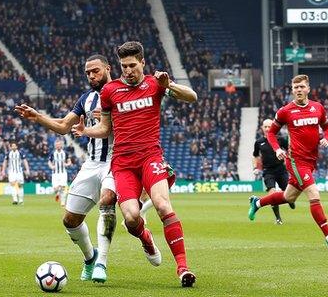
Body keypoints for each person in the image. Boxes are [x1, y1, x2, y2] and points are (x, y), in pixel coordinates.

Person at [74, 42, 198, 287]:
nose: (128, 70)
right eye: (124, 66)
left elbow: (192, 97)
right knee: (131, 217)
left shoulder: (155, 84)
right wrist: (85, 130)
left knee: (163, 205)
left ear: (142, 63)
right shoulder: (110, 91)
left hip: (150, 157)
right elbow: (106, 128)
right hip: (123, 163)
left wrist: (168, 85)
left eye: (132, 65)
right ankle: (145, 237)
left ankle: (182, 268)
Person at [15, 54, 117, 283]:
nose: (91, 76)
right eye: (88, 73)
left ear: (108, 68)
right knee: (70, 220)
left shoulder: (123, 92)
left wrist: (115, 120)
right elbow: (63, 126)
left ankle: (102, 263)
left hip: (116, 160)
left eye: (96, 71)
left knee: (107, 199)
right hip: (92, 163)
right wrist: (38, 116)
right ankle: (91, 257)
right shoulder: (87, 99)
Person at [248, 74, 328, 249]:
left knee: (288, 197)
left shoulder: (317, 108)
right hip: (296, 161)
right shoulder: (285, 111)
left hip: (311, 161)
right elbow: (271, 132)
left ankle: (257, 202)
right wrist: (278, 149)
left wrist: (327, 138)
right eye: (296, 88)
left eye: (302, 87)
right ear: (292, 90)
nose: (299, 90)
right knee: (314, 195)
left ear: (308, 89)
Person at [252, 119, 295, 224]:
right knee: (272, 194)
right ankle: (278, 219)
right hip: (268, 171)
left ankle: (290, 200)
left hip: (281, 170)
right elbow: (255, 156)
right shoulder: (258, 142)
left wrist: (288, 160)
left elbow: (290, 151)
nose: (267, 129)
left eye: (269, 126)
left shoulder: (281, 140)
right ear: (262, 128)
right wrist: (256, 167)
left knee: (288, 194)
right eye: (265, 127)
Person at [49, 139, 71, 206]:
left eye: (59, 145)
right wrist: (51, 166)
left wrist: (67, 164)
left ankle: (63, 202)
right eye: (56, 145)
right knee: (55, 189)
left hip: (63, 173)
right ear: (55, 146)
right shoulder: (52, 153)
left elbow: (69, 162)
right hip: (55, 173)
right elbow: (49, 162)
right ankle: (58, 193)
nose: (58, 146)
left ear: (61, 145)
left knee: (63, 187)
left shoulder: (65, 153)